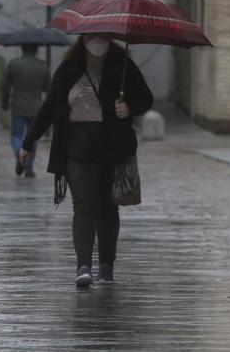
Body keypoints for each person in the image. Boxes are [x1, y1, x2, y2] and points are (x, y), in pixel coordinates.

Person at [21, 35, 153, 286]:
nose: (98, 41)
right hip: (75, 149)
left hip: (113, 148)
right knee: (84, 206)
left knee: (107, 207)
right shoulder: (69, 68)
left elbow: (146, 98)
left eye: (103, 36)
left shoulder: (123, 65)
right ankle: (83, 266)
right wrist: (29, 142)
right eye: (93, 36)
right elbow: (49, 107)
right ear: (83, 39)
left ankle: (106, 266)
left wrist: (129, 108)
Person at [3, 45, 50, 178]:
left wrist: (5, 103)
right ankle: (29, 166)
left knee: (16, 136)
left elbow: (6, 86)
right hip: (36, 107)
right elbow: (48, 88)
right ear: (36, 50)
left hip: (18, 106)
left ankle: (19, 153)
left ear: (22, 49)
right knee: (33, 138)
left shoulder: (13, 64)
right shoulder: (43, 65)